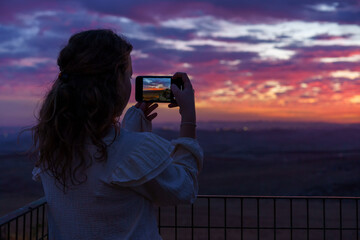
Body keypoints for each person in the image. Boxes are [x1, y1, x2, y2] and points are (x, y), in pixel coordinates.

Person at [30, 29, 203, 240]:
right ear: (114, 81)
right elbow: (184, 188)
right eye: (128, 75)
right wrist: (188, 118)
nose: (130, 82)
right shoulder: (130, 150)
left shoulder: (53, 148)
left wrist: (130, 128)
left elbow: (106, 170)